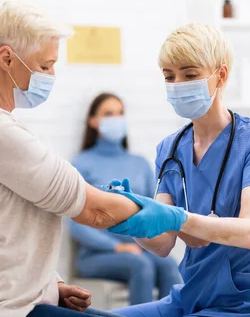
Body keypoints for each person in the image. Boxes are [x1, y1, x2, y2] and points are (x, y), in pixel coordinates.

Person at [0, 0, 189, 317]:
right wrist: (179, 218)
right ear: (6, 59)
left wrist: (48, 285)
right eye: (45, 65)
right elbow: (95, 210)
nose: (51, 76)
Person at [106, 23, 250, 317]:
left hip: (244, 315)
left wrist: (179, 219)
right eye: (169, 75)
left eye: (189, 74)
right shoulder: (171, 148)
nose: (177, 84)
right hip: (190, 300)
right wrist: (130, 216)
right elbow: (162, 243)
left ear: (220, 76)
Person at [70, 93, 181, 305]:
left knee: (168, 265)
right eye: (109, 114)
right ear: (93, 121)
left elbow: (153, 210)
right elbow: (75, 224)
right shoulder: (82, 163)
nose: (116, 119)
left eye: (120, 113)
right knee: (141, 265)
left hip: (140, 249)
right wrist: (116, 247)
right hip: (96, 255)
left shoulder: (139, 163)